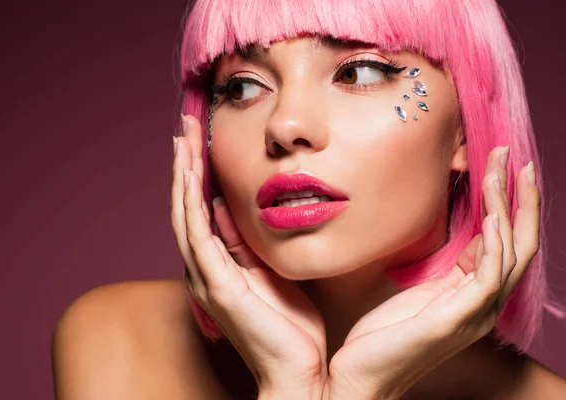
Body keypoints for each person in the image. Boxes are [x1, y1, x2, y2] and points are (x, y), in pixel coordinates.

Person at [52, 0, 566, 398]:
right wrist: (295, 387)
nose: (284, 125)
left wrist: (363, 386)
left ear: (464, 132)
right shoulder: (121, 342)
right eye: (241, 88)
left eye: (358, 72)